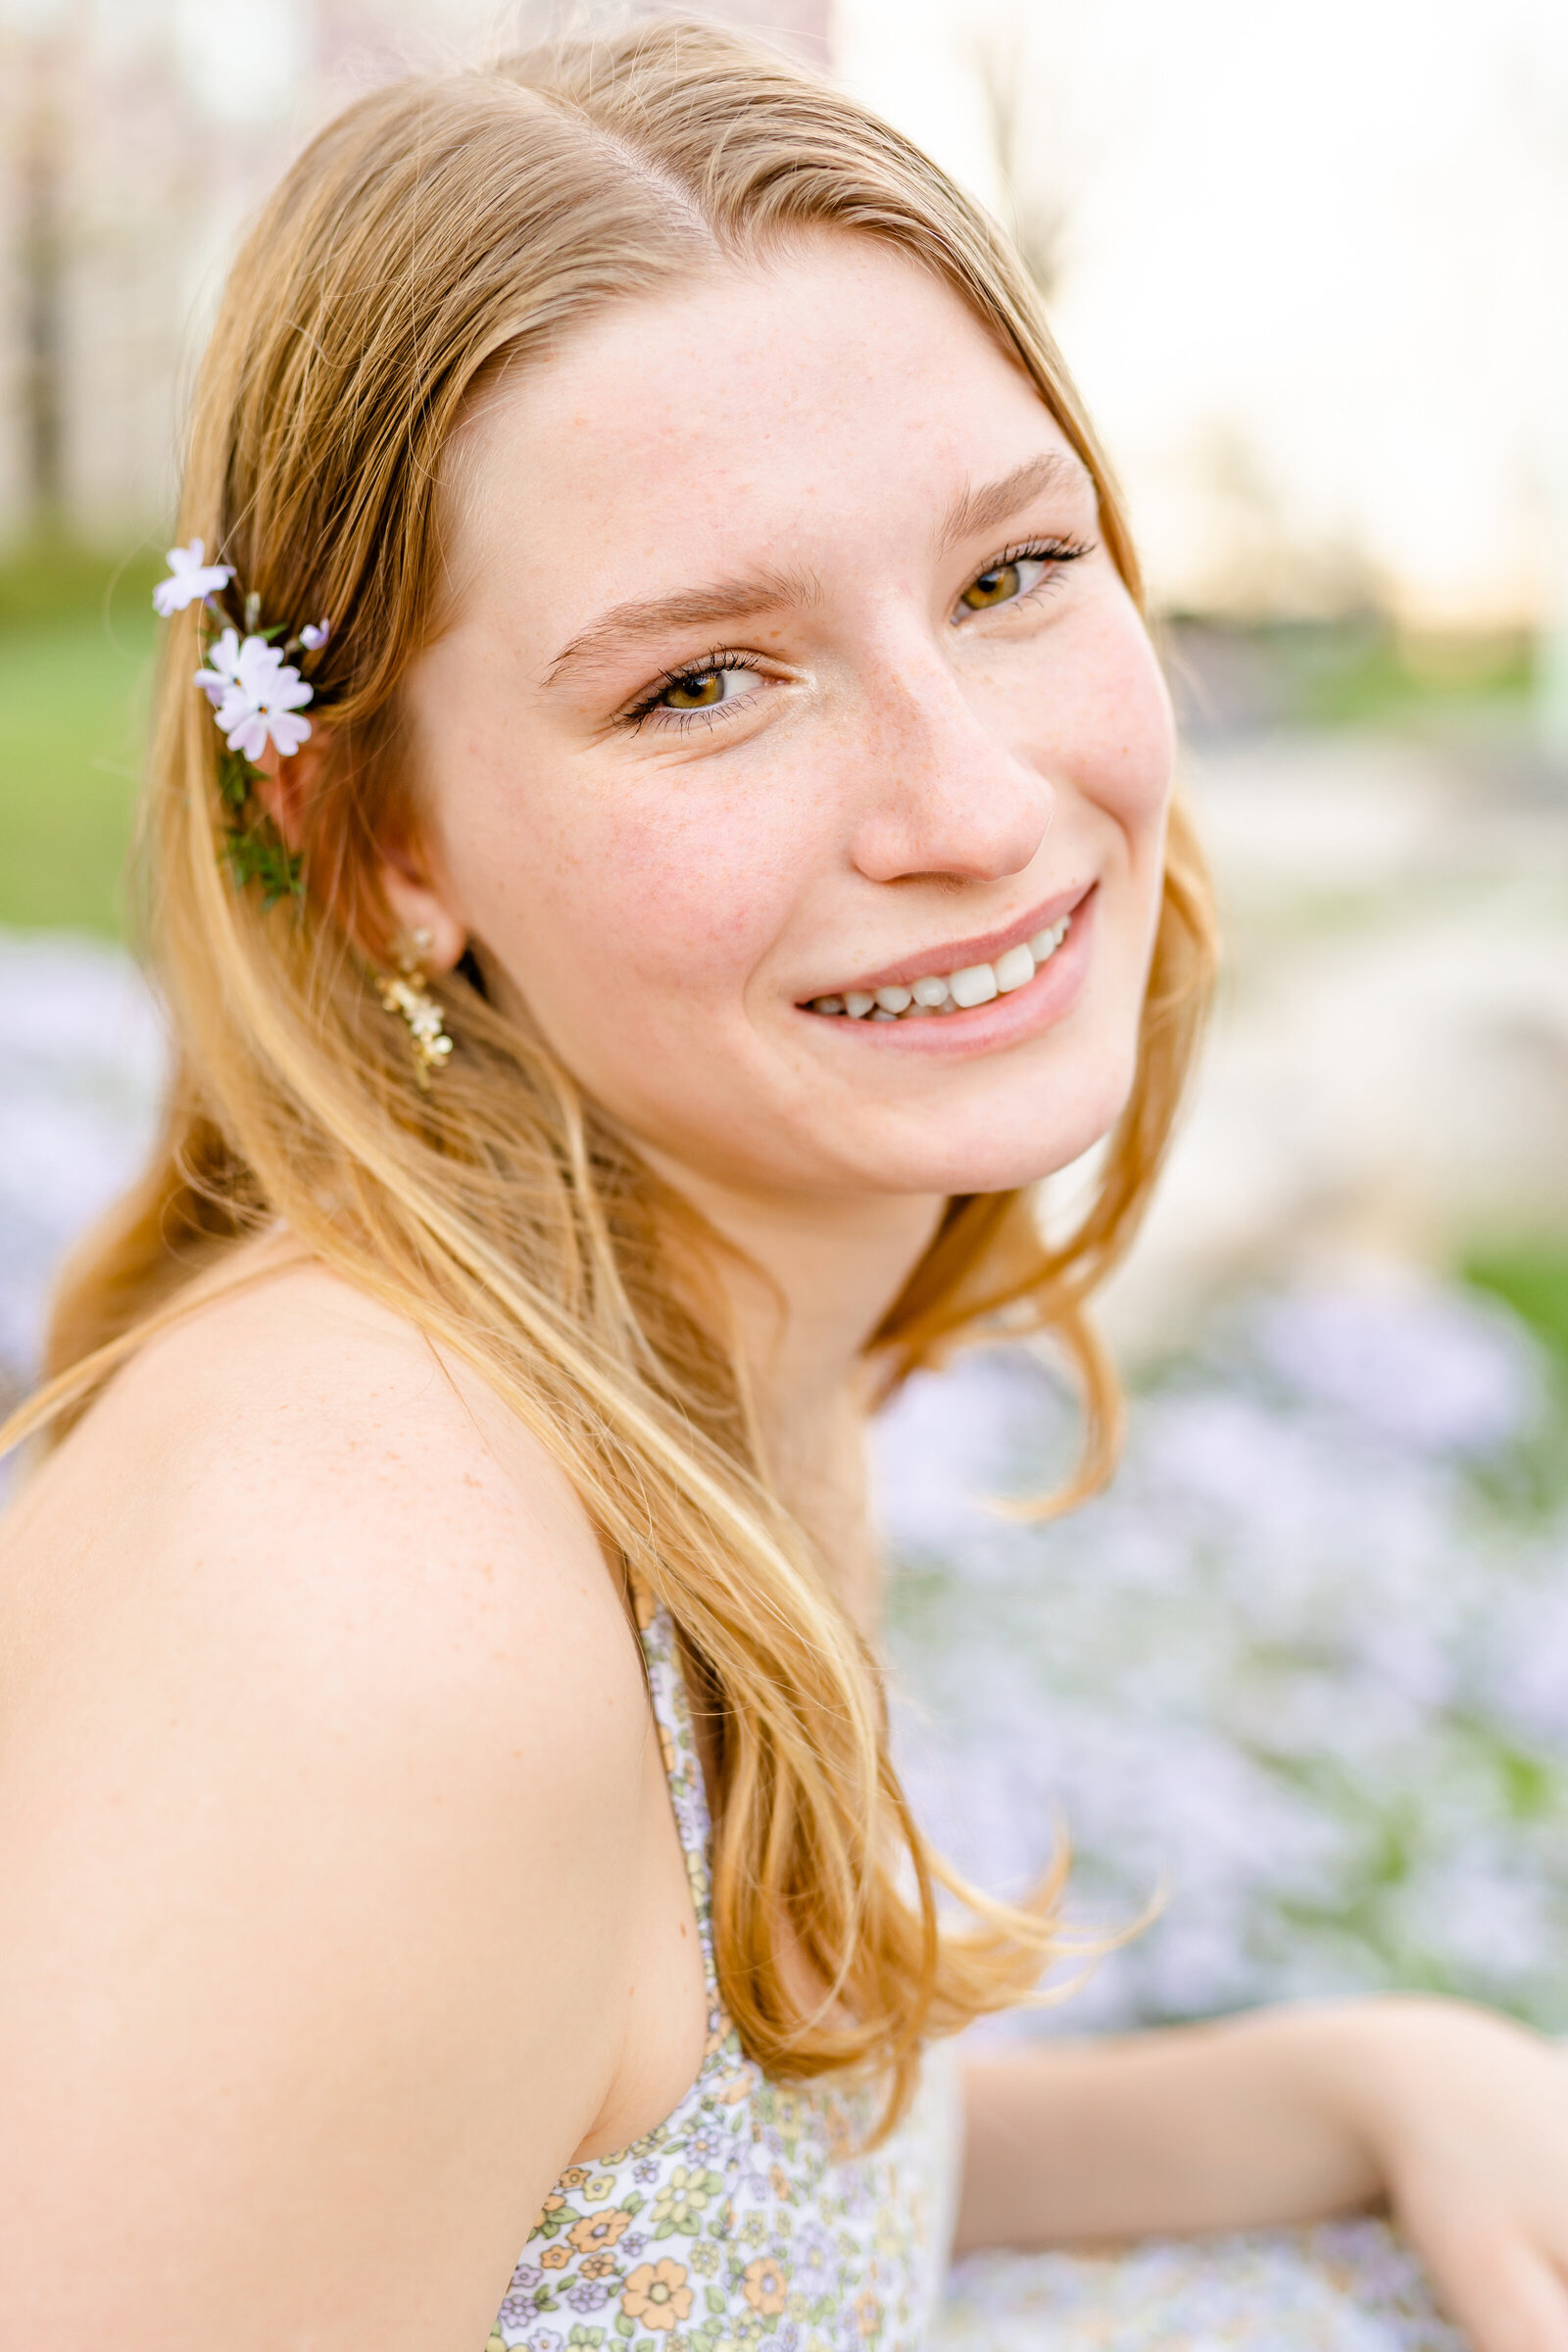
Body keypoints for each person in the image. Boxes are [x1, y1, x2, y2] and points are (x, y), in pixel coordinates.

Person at [1, 22, 1564, 2352]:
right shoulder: (352, 1588)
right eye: (702, 688)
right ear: (378, 839)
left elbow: (655, 2184)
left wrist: (1351, 2073)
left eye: (1012, 571)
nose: (968, 802)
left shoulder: (674, 1331)